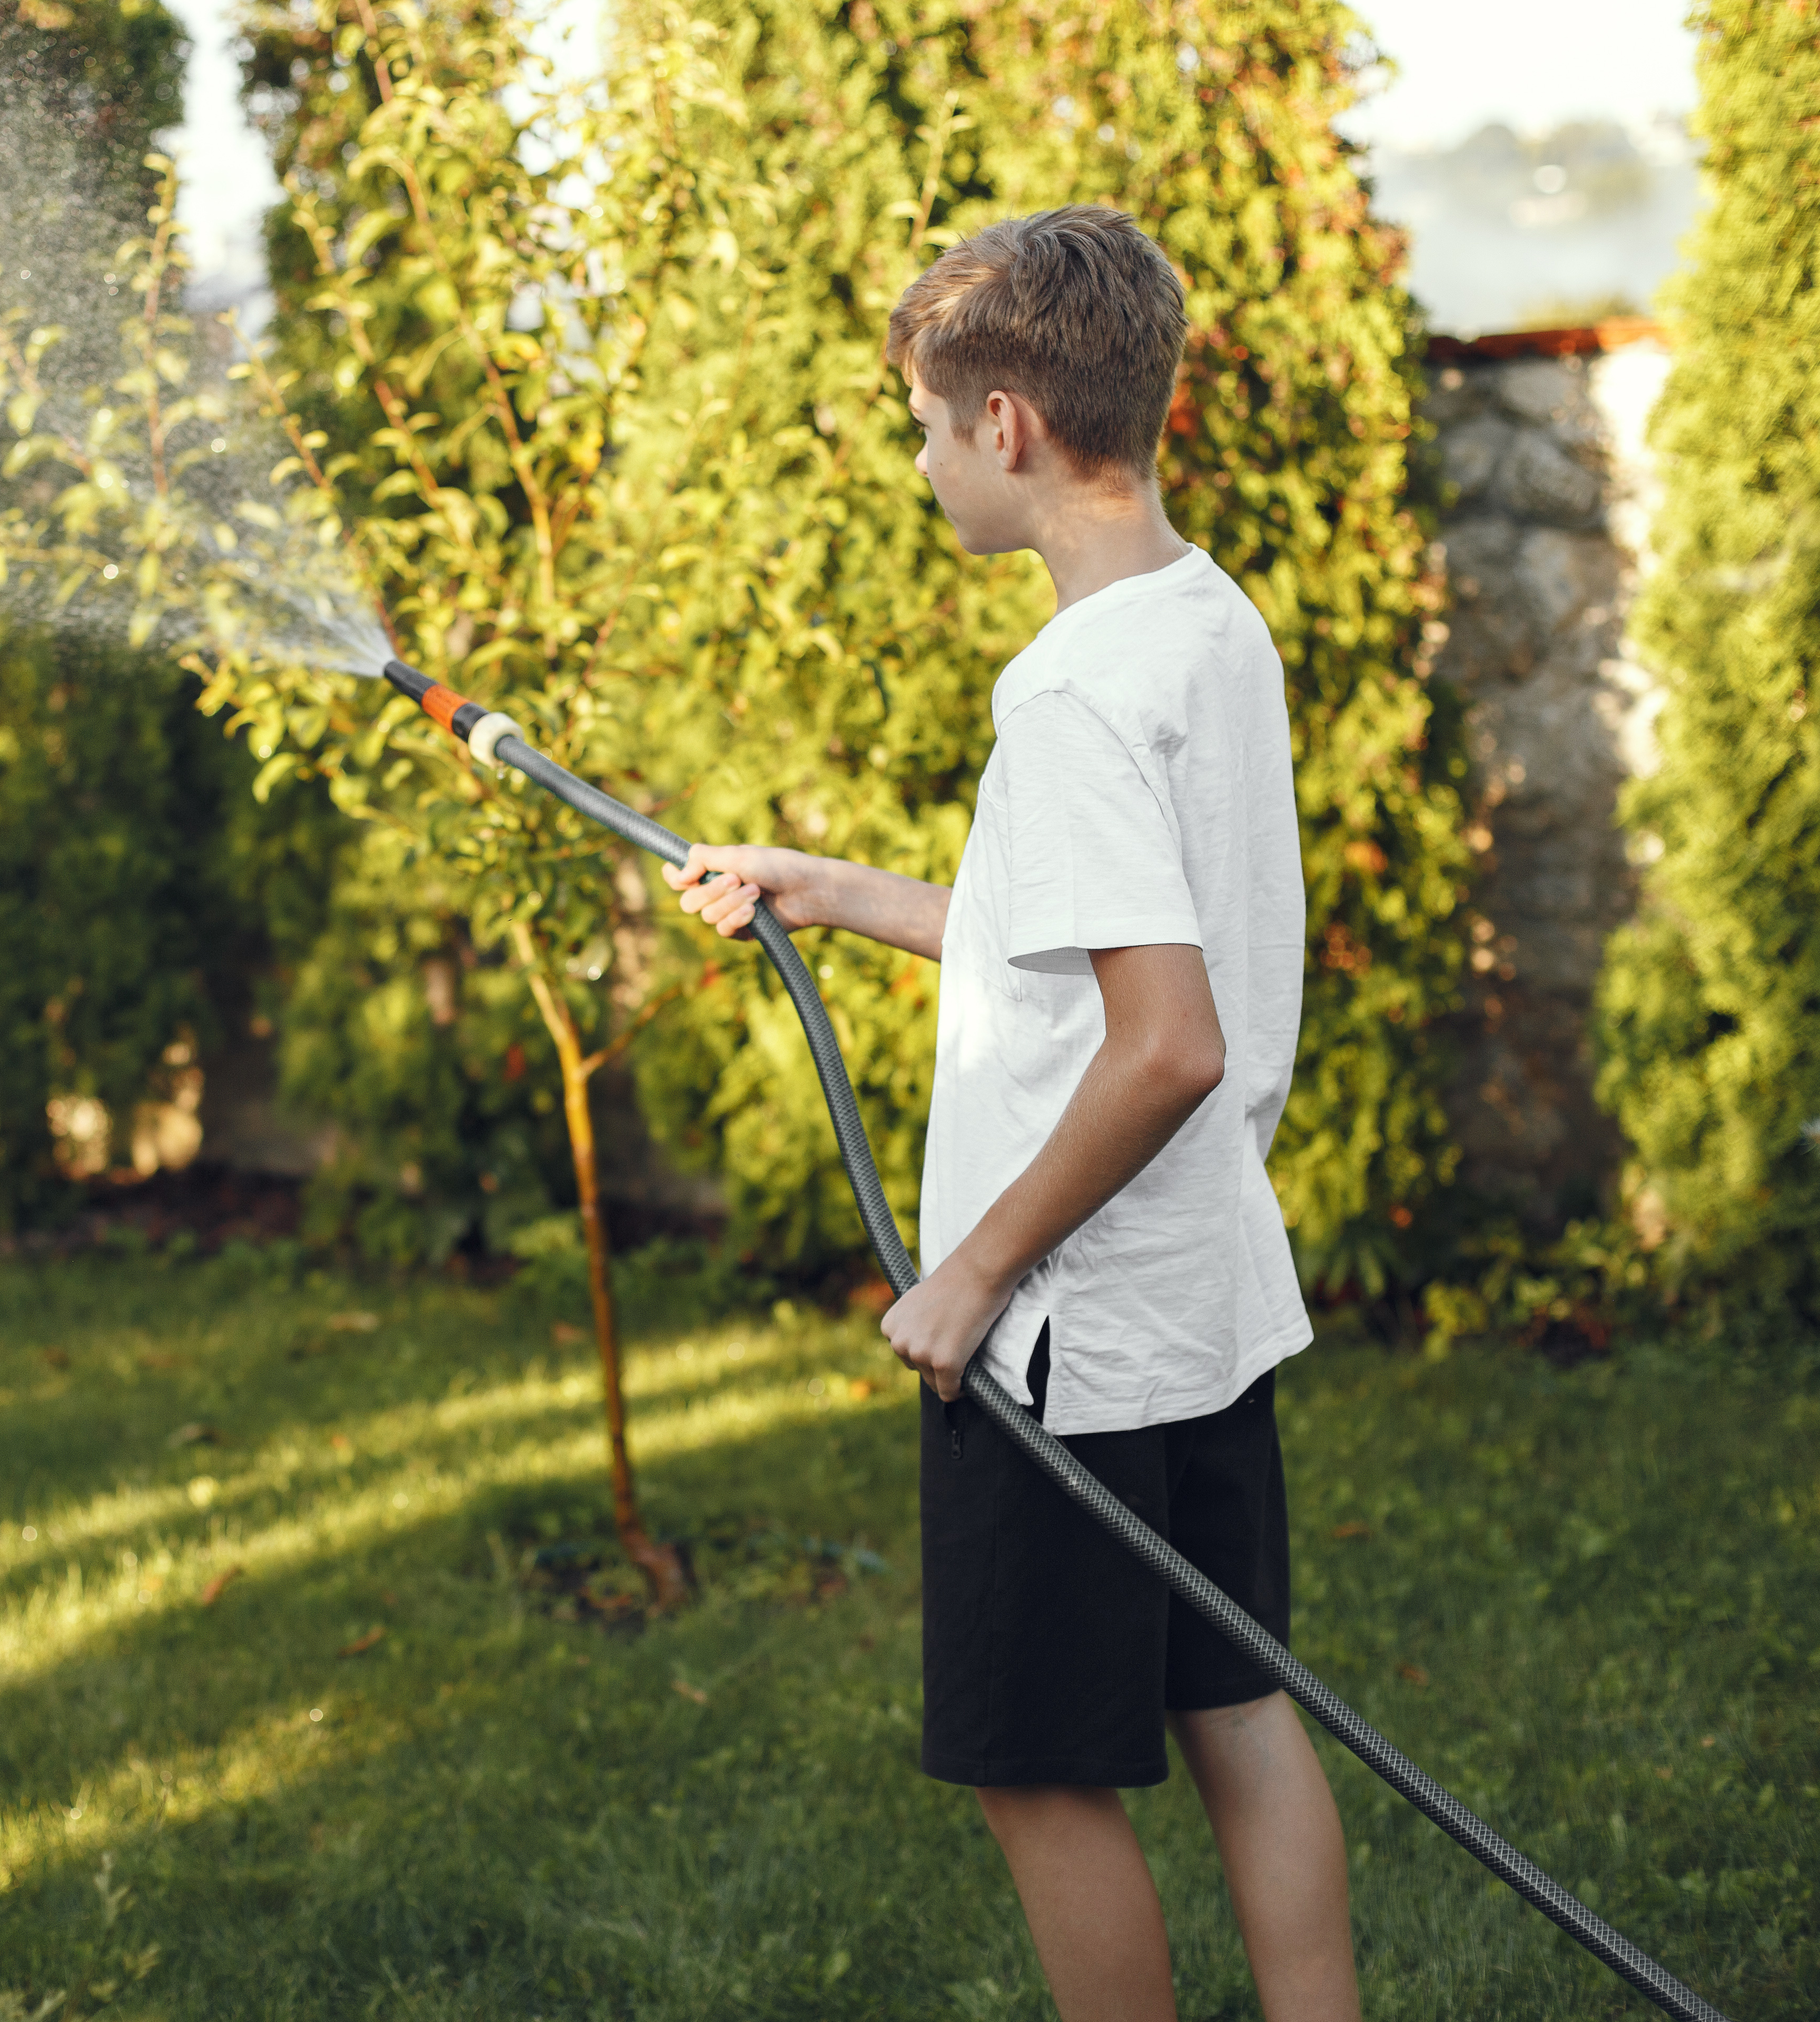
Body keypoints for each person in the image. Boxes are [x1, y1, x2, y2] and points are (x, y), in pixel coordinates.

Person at [662, 206, 1359, 2022]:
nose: (916, 459)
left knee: (1035, 1771)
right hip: (1200, 1296)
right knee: (1236, 1706)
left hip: (1066, 1339)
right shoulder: (1202, 625)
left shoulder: (1063, 697)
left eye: (921, 420)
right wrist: (840, 889)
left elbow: (1165, 1046)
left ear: (1008, 431)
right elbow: (1110, 959)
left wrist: (970, 1274)